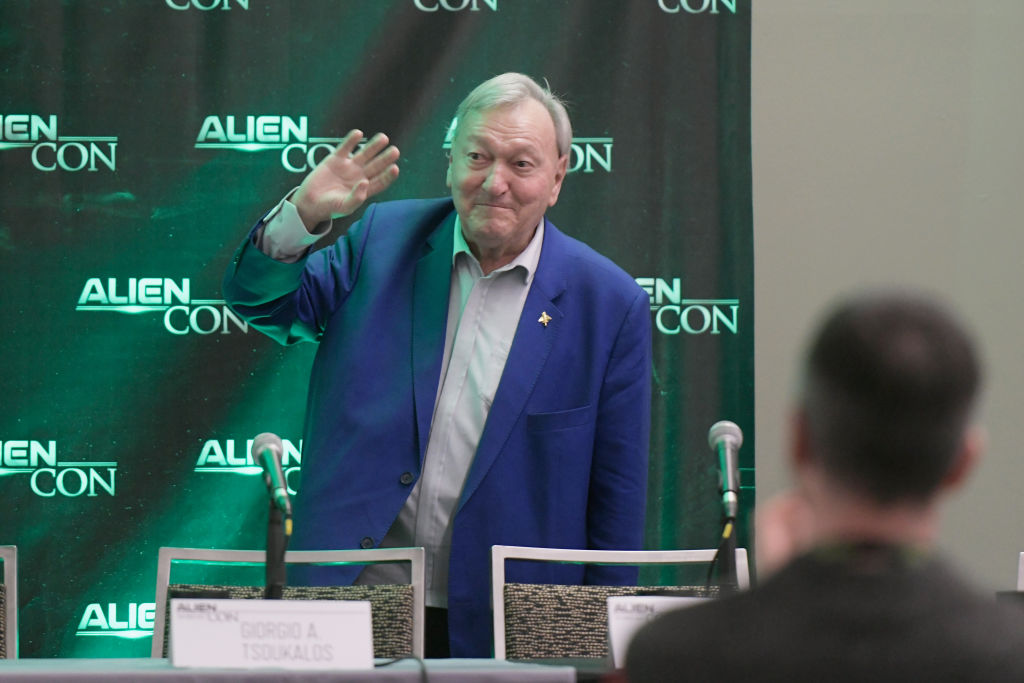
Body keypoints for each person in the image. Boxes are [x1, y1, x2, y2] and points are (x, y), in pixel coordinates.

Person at [223, 73, 651, 657]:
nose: (494, 182)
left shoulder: (610, 304)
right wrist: (303, 214)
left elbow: (616, 502)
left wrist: (601, 648)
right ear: (449, 163)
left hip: (508, 623)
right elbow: (261, 302)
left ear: (556, 178)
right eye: (477, 156)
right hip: (354, 599)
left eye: (521, 164)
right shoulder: (381, 240)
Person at [625, 291, 1024, 682]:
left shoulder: (671, 655)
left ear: (799, 441)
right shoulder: (1008, 654)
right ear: (963, 463)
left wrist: (784, 596)